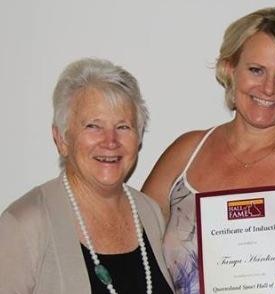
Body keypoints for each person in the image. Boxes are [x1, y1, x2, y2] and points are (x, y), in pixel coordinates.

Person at [142, 7, 275, 294]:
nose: (268, 88)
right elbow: (135, 247)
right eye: (256, 70)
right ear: (230, 69)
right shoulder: (184, 154)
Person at [0, 58, 174, 294]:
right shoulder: (24, 225)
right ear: (62, 139)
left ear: (139, 137)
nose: (110, 141)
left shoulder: (150, 213)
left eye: (123, 126)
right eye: (93, 126)